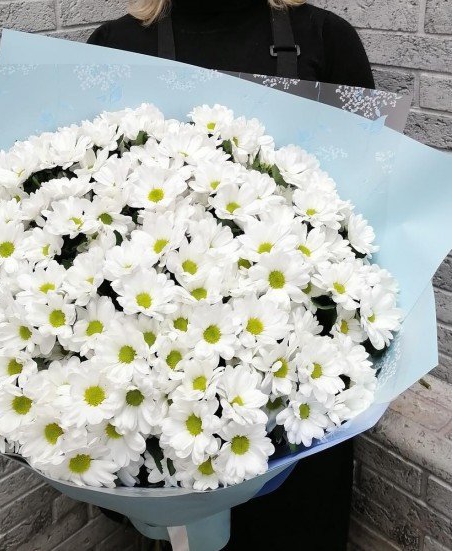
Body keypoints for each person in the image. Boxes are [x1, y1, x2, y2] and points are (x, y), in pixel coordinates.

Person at [88, 1, 374, 549]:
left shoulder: (327, 39)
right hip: (166, 421)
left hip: (303, 416)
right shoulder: (114, 47)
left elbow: (366, 210)